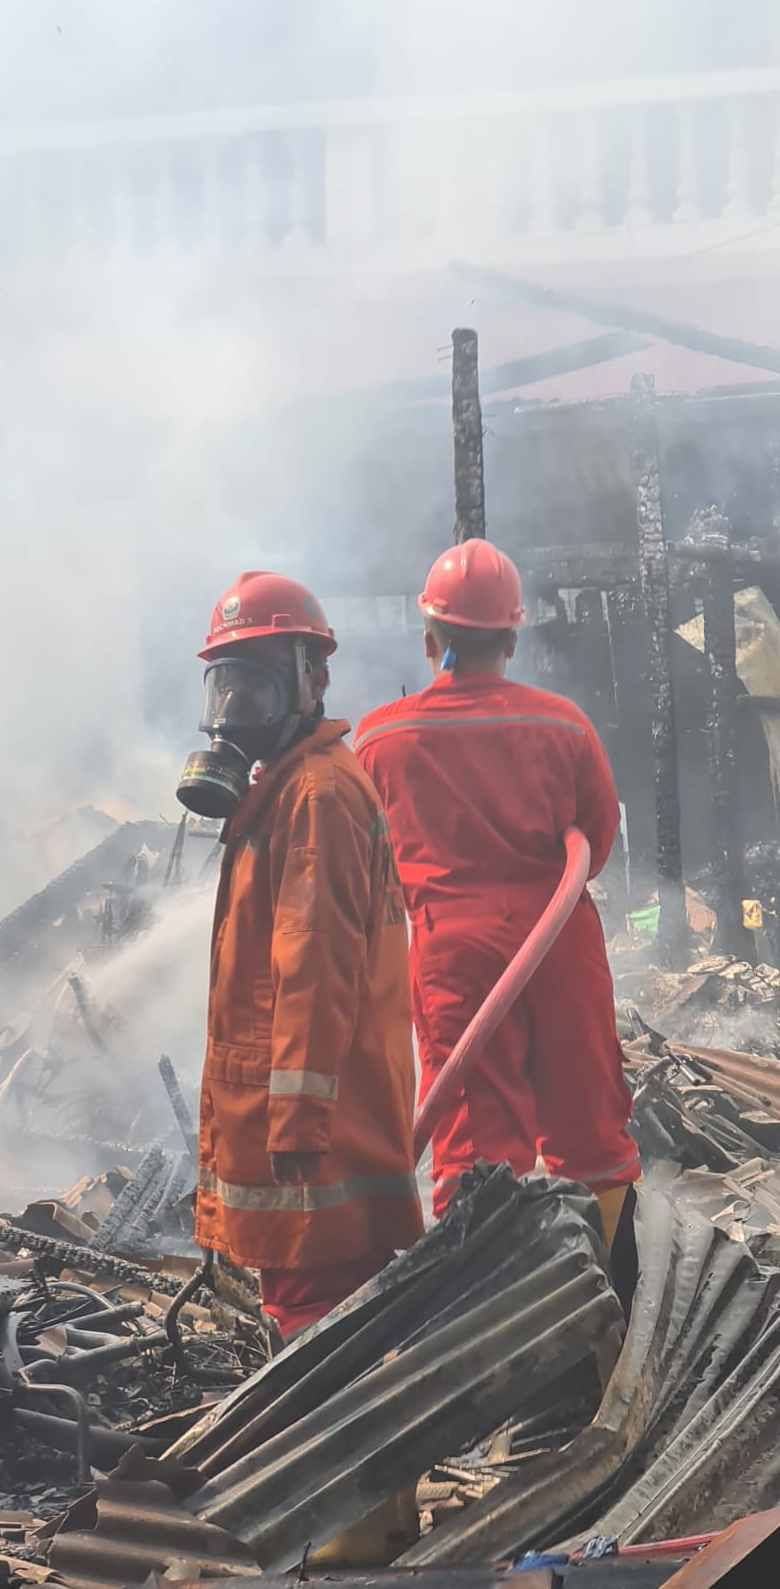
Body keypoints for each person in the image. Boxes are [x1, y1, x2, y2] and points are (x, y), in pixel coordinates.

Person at [178, 570, 424, 1564]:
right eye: (224, 687)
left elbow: (313, 970)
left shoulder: (315, 794)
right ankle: (368, 1527)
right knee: (328, 1325)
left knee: (322, 1336)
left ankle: (349, 1546)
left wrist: (295, 1125)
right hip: (297, 1128)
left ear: (310, 677)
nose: (238, 712)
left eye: (257, 686)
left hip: (311, 1138)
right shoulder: (285, 792)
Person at [354, 539, 640, 1248]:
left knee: (477, 1154)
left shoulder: (379, 740)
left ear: (430, 639)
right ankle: (619, 1310)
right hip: (560, 943)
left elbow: (365, 867)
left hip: (455, 959)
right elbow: (595, 844)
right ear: (512, 640)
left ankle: (489, 1318)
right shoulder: (564, 725)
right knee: (593, 1137)